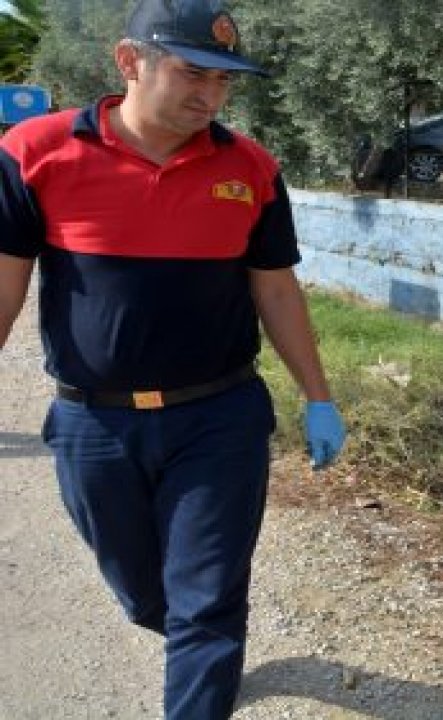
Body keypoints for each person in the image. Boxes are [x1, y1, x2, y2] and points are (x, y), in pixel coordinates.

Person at [0, 1, 347, 717]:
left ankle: (198, 670)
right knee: (140, 590)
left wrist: (318, 395)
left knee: (210, 598)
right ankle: (176, 628)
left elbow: (276, 290)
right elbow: (4, 281)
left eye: (225, 82)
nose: (210, 97)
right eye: (195, 73)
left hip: (219, 417)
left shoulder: (250, 168)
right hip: (93, 426)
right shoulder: (36, 154)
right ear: (131, 62)